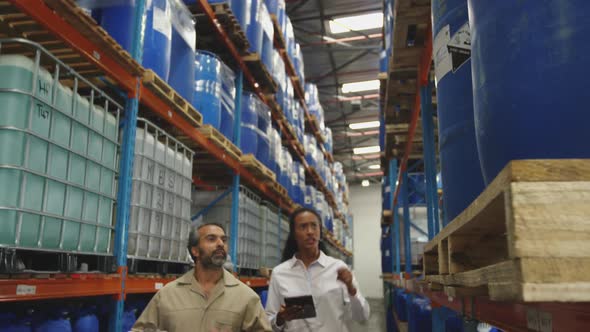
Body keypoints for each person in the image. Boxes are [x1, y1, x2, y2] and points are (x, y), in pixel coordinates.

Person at [133, 222, 272, 332]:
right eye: (211, 239)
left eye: (223, 240)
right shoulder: (167, 295)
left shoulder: (246, 297)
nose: (220, 244)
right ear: (195, 251)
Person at [265, 208, 370, 331]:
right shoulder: (280, 273)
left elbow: (362, 317)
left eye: (314, 226)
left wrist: (351, 289)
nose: (310, 232)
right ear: (293, 234)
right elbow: (268, 322)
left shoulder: (338, 268)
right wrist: (280, 318)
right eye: (303, 227)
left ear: (320, 232)